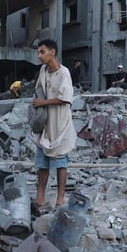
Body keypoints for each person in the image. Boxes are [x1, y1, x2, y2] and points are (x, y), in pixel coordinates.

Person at [32, 39, 76, 210]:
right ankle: (40, 197)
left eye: (42, 52)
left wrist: (43, 103)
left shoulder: (64, 73)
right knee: (42, 163)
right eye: (38, 52)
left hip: (60, 123)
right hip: (45, 124)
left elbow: (65, 99)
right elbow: (38, 91)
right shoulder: (43, 71)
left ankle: (60, 197)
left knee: (60, 161)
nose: (39, 56)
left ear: (53, 52)